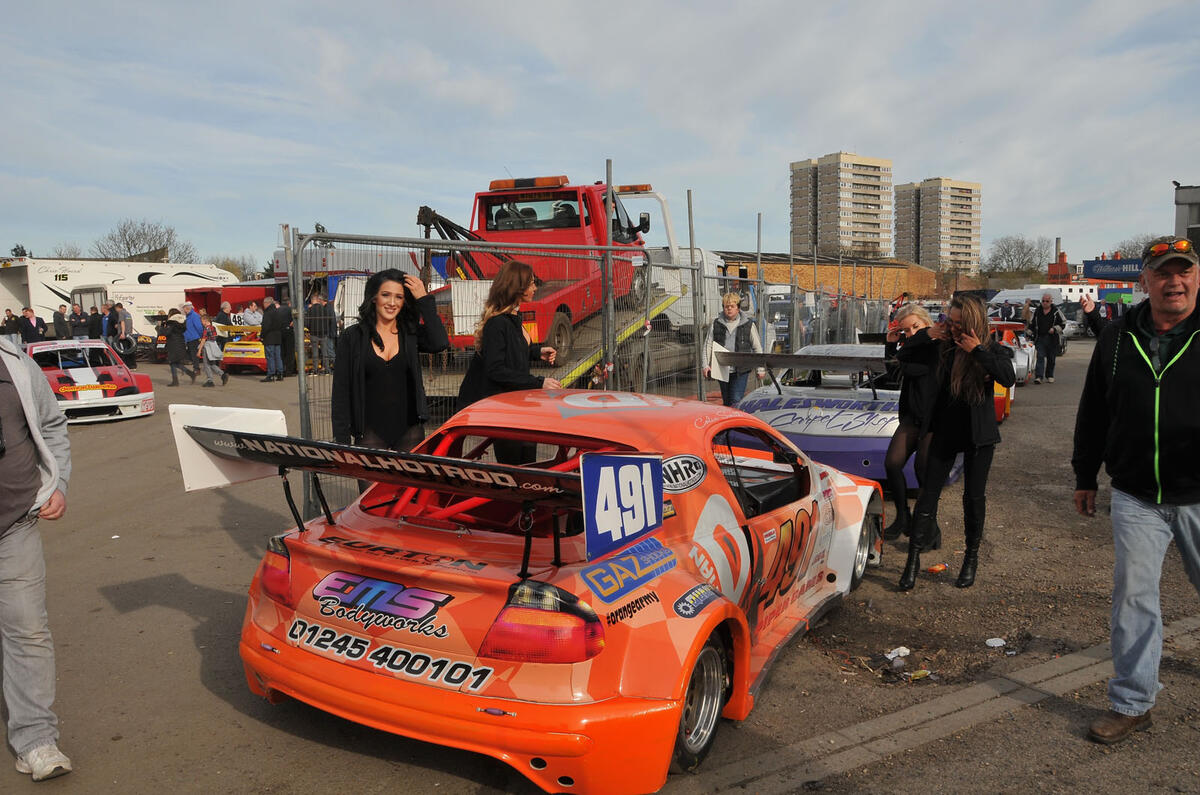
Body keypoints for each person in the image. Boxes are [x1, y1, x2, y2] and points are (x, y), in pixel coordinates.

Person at [1072, 235, 1200, 745]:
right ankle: (1132, 702)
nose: (1176, 281)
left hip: (1199, 493)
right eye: (1164, 273)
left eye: (1184, 271)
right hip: (1136, 495)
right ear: (1143, 282)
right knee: (1134, 600)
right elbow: (1094, 411)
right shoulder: (1117, 337)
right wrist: (1085, 475)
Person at [898, 294, 1015, 591]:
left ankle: (970, 560)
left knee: (973, 499)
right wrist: (927, 334)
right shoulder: (944, 348)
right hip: (945, 431)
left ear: (973, 322)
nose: (952, 327)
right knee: (928, 495)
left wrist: (977, 351)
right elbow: (904, 356)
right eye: (950, 320)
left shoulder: (991, 350)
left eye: (959, 322)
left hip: (979, 436)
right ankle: (912, 561)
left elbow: (1008, 377)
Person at [0, 333, 74, 780]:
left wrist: (59, 482)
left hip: (16, 523)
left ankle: (36, 741)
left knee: (27, 631)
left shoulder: (15, 362)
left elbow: (51, 425)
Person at [332, 269, 449, 455]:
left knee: (409, 486)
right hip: (369, 433)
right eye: (386, 295)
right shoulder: (352, 337)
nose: (392, 303)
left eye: (399, 297)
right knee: (373, 486)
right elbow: (341, 391)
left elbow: (440, 342)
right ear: (373, 298)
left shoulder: (410, 333)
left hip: (410, 431)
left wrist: (424, 299)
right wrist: (341, 440)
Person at [456, 260, 561, 463]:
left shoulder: (514, 317)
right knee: (515, 467)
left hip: (519, 404)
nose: (535, 288)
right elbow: (496, 369)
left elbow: (512, 351)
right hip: (503, 408)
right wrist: (539, 382)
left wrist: (536, 352)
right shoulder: (497, 324)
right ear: (517, 287)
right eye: (531, 283)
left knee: (529, 464)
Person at [882, 303, 938, 540]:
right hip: (912, 416)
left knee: (923, 472)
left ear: (927, 324)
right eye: (906, 330)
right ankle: (903, 515)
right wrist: (890, 344)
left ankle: (928, 527)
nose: (912, 334)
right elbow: (892, 372)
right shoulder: (909, 348)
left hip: (934, 419)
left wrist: (907, 346)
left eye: (916, 327)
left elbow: (914, 369)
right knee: (892, 464)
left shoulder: (937, 346)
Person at [702, 292, 763, 407]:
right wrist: (705, 365)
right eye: (726, 306)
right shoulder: (716, 324)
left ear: (738, 308)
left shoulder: (748, 325)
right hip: (722, 369)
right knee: (726, 401)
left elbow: (757, 347)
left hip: (741, 370)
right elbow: (707, 345)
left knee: (736, 400)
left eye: (732, 306)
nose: (729, 309)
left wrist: (760, 369)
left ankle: (736, 422)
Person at [1028, 292, 1066, 384]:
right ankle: (1038, 377)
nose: (1045, 303)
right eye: (1043, 301)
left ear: (1051, 301)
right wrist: (1029, 334)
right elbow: (1031, 323)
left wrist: (1055, 329)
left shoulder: (1056, 311)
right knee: (1040, 357)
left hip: (1052, 339)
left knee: (1051, 358)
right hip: (1040, 337)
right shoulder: (1037, 311)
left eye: (1047, 301)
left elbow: (1063, 323)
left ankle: (1050, 375)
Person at [162, 309, 195, 386]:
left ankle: (177, 380)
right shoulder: (181, 323)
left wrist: (160, 326)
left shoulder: (171, 323)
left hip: (173, 345)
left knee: (172, 362)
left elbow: (165, 333)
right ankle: (187, 375)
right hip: (180, 344)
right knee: (174, 363)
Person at [259, 297, 285, 382]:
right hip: (277, 336)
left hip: (269, 337)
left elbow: (265, 326)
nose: (263, 305)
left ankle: (271, 374)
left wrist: (262, 336)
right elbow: (282, 324)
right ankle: (280, 373)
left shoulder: (267, 313)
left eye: (264, 303)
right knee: (278, 356)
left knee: (270, 356)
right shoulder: (278, 311)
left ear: (267, 303)